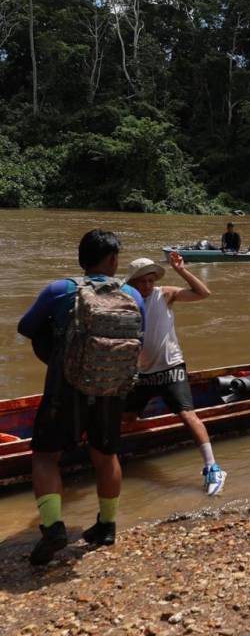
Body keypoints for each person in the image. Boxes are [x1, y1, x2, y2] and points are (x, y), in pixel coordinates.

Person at [17, 229, 146, 564]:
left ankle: (53, 526)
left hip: (66, 386)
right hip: (112, 389)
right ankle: (107, 525)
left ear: (81, 258)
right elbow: (139, 337)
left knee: (46, 456)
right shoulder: (133, 293)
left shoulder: (60, 289)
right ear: (114, 260)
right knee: (106, 455)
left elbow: (26, 327)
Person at [123, 253, 226, 495]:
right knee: (126, 417)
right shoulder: (127, 301)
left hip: (171, 368)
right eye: (142, 282)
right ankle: (123, 456)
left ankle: (213, 467)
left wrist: (181, 270)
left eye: (150, 280)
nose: (147, 286)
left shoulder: (164, 294)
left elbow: (204, 293)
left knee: (187, 415)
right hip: (144, 374)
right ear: (133, 283)